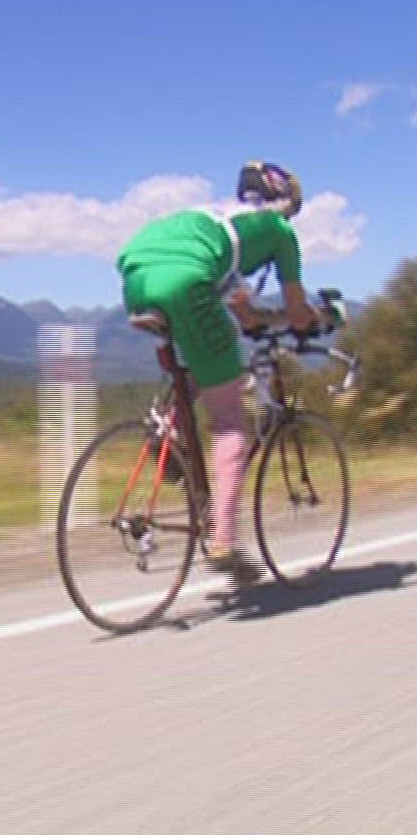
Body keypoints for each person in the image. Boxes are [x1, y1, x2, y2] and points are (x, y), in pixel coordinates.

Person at [116, 160, 321, 589]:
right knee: (230, 423)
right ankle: (224, 541)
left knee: (207, 357)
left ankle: (168, 428)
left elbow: (245, 316)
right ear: (284, 202)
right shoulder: (278, 231)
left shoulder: (216, 222)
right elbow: (298, 313)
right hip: (187, 281)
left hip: (136, 278)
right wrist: (319, 318)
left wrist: (261, 318)